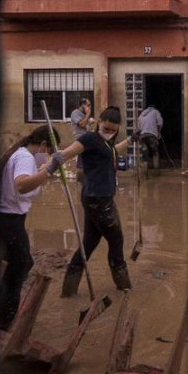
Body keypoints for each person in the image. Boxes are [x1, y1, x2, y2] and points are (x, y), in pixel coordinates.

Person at [45, 105, 135, 295]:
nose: (109, 131)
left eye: (113, 129)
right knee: (117, 240)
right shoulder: (89, 138)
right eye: (106, 127)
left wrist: (131, 139)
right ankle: (124, 286)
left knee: (89, 243)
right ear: (99, 122)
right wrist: (51, 165)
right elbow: (67, 153)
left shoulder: (106, 143)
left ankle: (68, 290)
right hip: (98, 199)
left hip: (98, 197)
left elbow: (113, 152)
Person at [0, 125, 58, 330]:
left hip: (6, 219)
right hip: (8, 221)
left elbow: (27, 181)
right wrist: (48, 169)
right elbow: (22, 185)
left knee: (21, 264)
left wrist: (44, 170)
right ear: (43, 145)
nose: (48, 156)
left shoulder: (21, 154)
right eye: (49, 152)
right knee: (20, 265)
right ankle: (4, 320)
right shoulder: (25, 158)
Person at [135, 104, 163, 172]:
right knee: (155, 152)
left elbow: (139, 127)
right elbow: (160, 123)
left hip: (143, 136)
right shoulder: (156, 112)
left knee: (145, 155)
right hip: (152, 135)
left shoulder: (142, 114)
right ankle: (156, 171)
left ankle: (145, 173)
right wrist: (158, 131)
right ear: (153, 107)